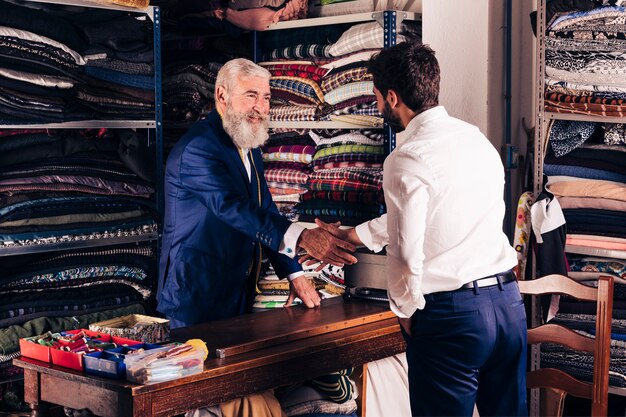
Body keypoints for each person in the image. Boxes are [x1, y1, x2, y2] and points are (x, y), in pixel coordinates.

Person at [313, 42, 527, 416]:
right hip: (508, 305)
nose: (378, 107)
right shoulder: (475, 139)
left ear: (392, 97)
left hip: (453, 316)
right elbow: (433, 212)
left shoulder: (405, 158)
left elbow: (407, 253)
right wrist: (356, 234)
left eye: (377, 98)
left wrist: (406, 310)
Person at [157, 58, 357, 329]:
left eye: (266, 98)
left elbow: (264, 208)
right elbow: (233, 208)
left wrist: (294, 273)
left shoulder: (246, 142)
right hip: (194, 296)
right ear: (222, 95)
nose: (261, 107)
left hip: (235, 290)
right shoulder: (198, 148)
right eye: (251, 96)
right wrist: (303, 237)